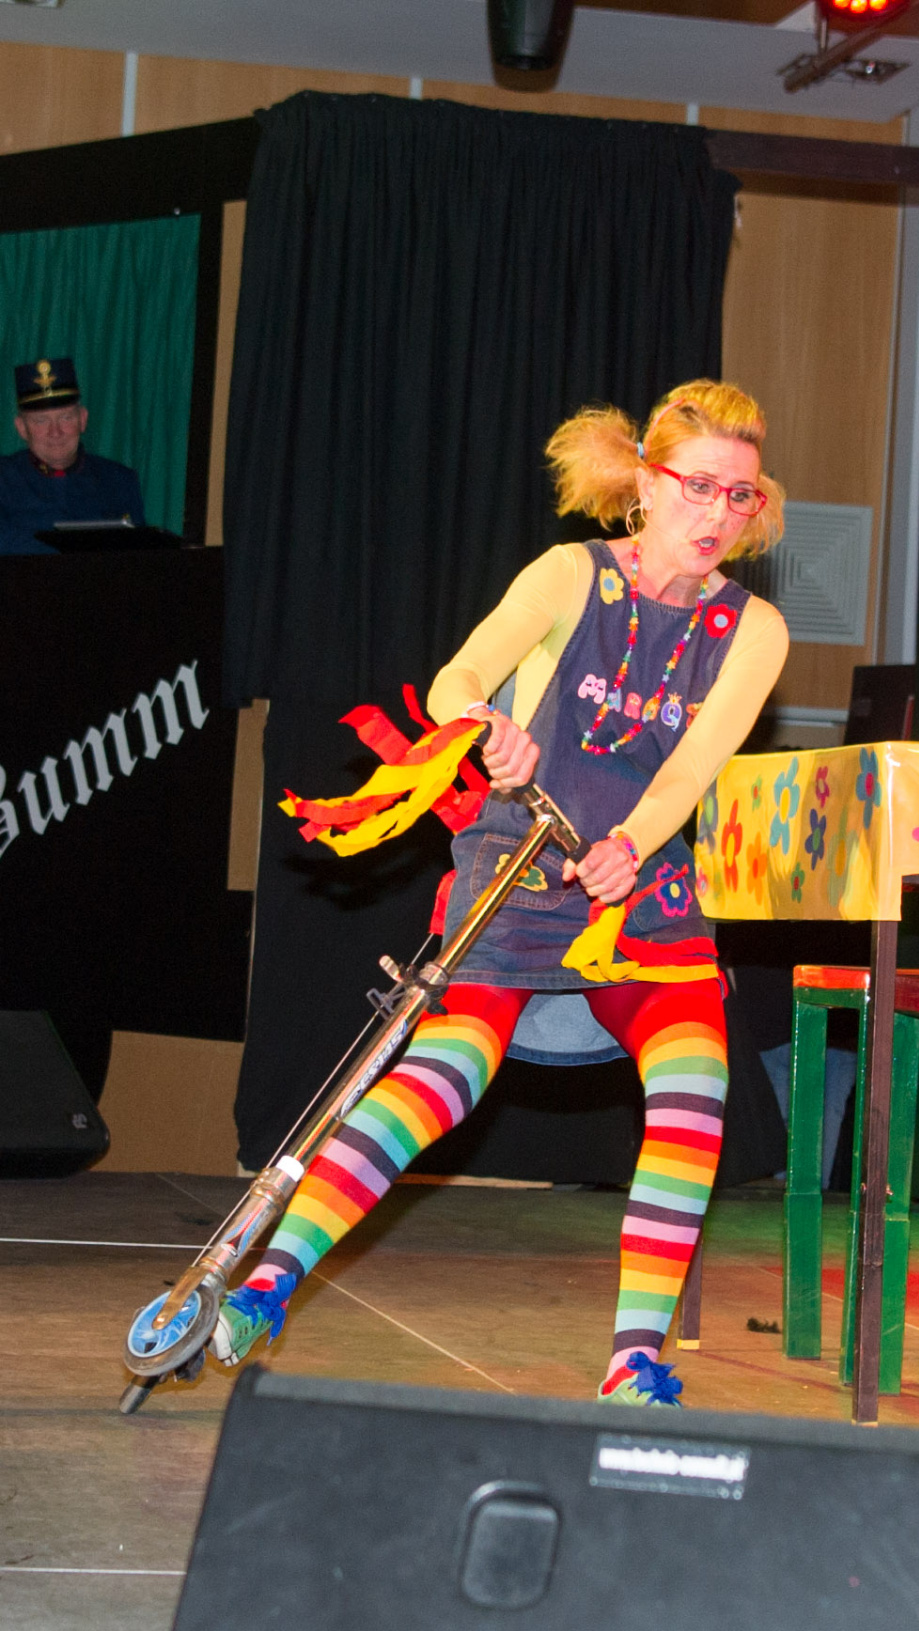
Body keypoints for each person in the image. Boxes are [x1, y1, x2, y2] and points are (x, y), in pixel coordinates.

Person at [213, 380, 790, 1407]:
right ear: (646, 484)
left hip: (640, 893)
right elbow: (456, 678)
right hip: (517, 869)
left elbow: (692, 769)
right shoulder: (570, 574)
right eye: (698, 486)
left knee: (697, 1083)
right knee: (439, 1074)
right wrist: (487, 727)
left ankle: (633, 1359)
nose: (718, 513)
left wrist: (630, 842)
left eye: (739, 495)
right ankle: (266, 1284)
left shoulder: (754, 629)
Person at [0, 357, 146, 554]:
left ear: (83, 420)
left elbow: (139, 556)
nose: (55, 432)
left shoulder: (119, 481)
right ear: (21, 428)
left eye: (66, 418)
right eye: (41, 421)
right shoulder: (4, 480)